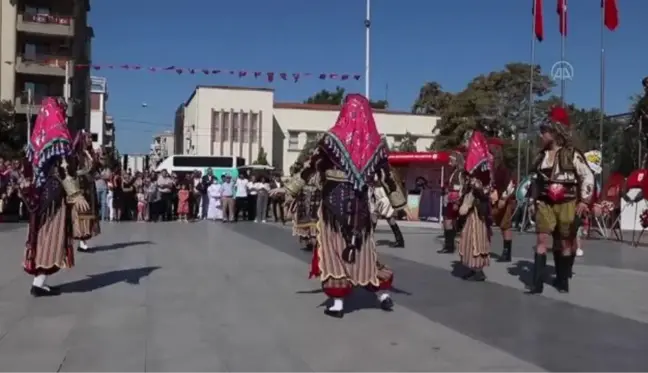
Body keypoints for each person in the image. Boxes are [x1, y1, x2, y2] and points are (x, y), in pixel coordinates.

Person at [271, 94, 409, 318]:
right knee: (363, 251)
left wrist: (290, 188)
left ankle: (337, 303)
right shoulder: (376, 143)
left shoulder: (331, 139)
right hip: (360, 208)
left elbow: (313, 165)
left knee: (333, 252)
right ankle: (382, 293)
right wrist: (398, 203)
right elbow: (386, 175)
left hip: (332, 207)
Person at [23, 97, 91, 297]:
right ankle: (39, 283)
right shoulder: (58, 135)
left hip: (43, 193)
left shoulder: (38, 137)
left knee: (44, 235)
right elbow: (63, 169)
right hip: (55, 195)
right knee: (52, 236)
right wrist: (75, 194)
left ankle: (40, 282)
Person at [527, 107, 595, 294]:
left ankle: (563, 280)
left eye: (544, 131)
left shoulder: (572, 154)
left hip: (567, 202)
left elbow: (587, 176)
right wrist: (533, 202)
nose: (541, 135)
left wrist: (584, 201)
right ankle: (537, 283)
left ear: (555, 132)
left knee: (565, 241)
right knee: (541, 239)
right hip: (544, 202)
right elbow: (535, 182)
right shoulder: (540, 157)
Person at [456, 131, 493, 282]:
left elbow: (485, 188)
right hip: (472, 207)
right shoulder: (471, 165)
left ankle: (478, 270)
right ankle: (472, 267)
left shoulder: (484, 165)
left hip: (478, 209)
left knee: (477, 238)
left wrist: (475, 186)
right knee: (468, 238)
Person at [69, 131, 101, 252]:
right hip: (79, 186)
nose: (90, 140)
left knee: (87, 212)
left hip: (89, 187)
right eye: (88, 138)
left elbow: (96, 169)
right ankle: (79, 238)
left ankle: (84, 239)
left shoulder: (91, 154)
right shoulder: (76, 155)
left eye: (90, 138)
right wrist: (83, 173)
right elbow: (73, 171)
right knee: (79, 212)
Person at [489, 139, 517, 262]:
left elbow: (511, 184)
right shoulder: (492, 167)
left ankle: (507, 253)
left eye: (491, 151)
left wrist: (504, 198)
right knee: (499, 225)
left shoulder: (503, 167)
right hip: (494, 199)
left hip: (504, 199)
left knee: (505, 226)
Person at [370, 167, 405, 248]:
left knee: (389, 217)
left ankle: (400, 241)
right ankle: (369, 239)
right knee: (373, 216)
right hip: (376, 193)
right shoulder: (374, 168)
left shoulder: (383, 170)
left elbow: (380, 181)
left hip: (383, 194)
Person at [438, 150, 464, 254]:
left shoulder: (460, 172)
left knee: (450, 221)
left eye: (451, 160)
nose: (449, 163)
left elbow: (462, 188)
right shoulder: (453, 172)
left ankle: (450, 246)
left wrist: (457, 202)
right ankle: (449, 245)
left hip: (455, 200)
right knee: (448, 221)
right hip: (450, 199)